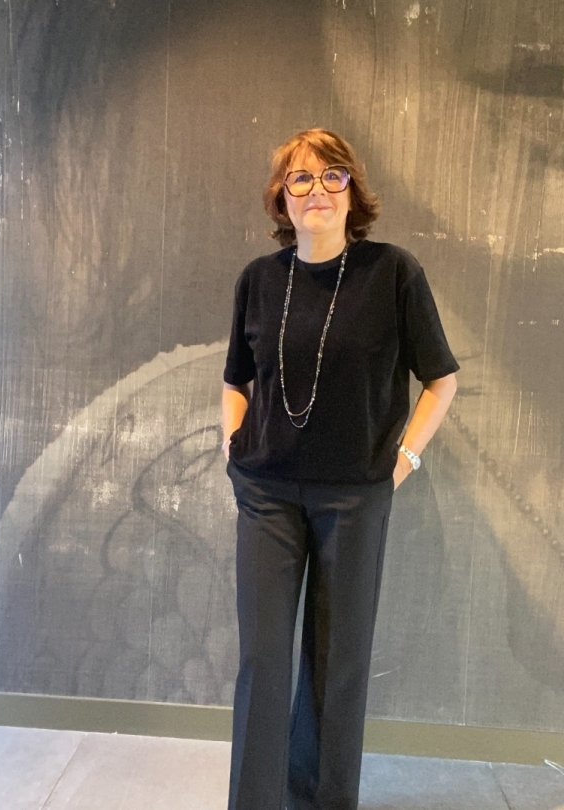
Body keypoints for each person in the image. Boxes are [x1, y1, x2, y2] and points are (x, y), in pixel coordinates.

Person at [221, 128, 459, 810]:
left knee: (336, 666)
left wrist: (403, 460)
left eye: (332, 176)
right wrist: (231, 443)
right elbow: (236, 378)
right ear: (282, 199)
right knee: (263, 662)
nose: (317, 190)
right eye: (300, 179)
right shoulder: (259, 280)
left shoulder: (393, 273)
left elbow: (441, 379)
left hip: (354, 499)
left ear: (353, 192)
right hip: (267, 495)